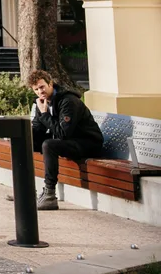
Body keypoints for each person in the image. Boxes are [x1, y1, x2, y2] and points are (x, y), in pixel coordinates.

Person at [28, 69, 104, 210]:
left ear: (50, 84)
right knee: (28, 141)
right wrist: (25, 136)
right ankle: (26, 189)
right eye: (36, 89)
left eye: (42, 86)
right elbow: (38, 129)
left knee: (49, 145)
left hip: (88, 143)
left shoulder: (68, 101)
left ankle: (50, 195)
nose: (40, 92)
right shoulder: (42, 102)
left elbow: (64, 133)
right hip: (69, 142)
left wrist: (44, 115)